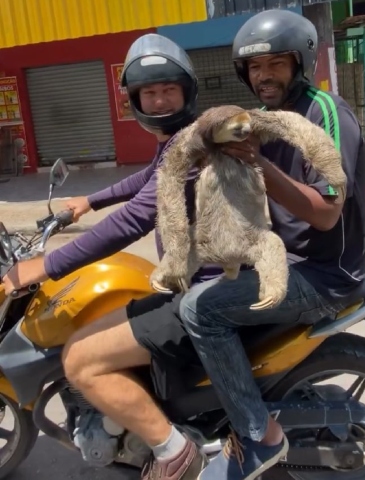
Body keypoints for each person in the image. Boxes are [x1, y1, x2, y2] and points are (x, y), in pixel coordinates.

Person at [1, 34, 212, 479]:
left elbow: (134, 220)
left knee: (80, 358)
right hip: (193, 280)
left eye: (168, 90)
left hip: (204, 292)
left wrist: (44, 265)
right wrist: (89, 201)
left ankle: (175, 454)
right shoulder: (178, 140)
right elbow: (146, 179)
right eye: (149, 93)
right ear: (134, 99)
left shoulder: (191, 147)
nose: (159, 101)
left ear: (186, 91)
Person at [176, 9, 365, 480]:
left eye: (276, 64)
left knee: (200, 311)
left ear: (300, 63)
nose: (264, 76)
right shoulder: (262, 120)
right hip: (287, 260)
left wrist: (258, 163)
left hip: (324, 275)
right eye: (255, 67)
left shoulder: (324, 114)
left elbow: (325, 213)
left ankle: (258, 436)